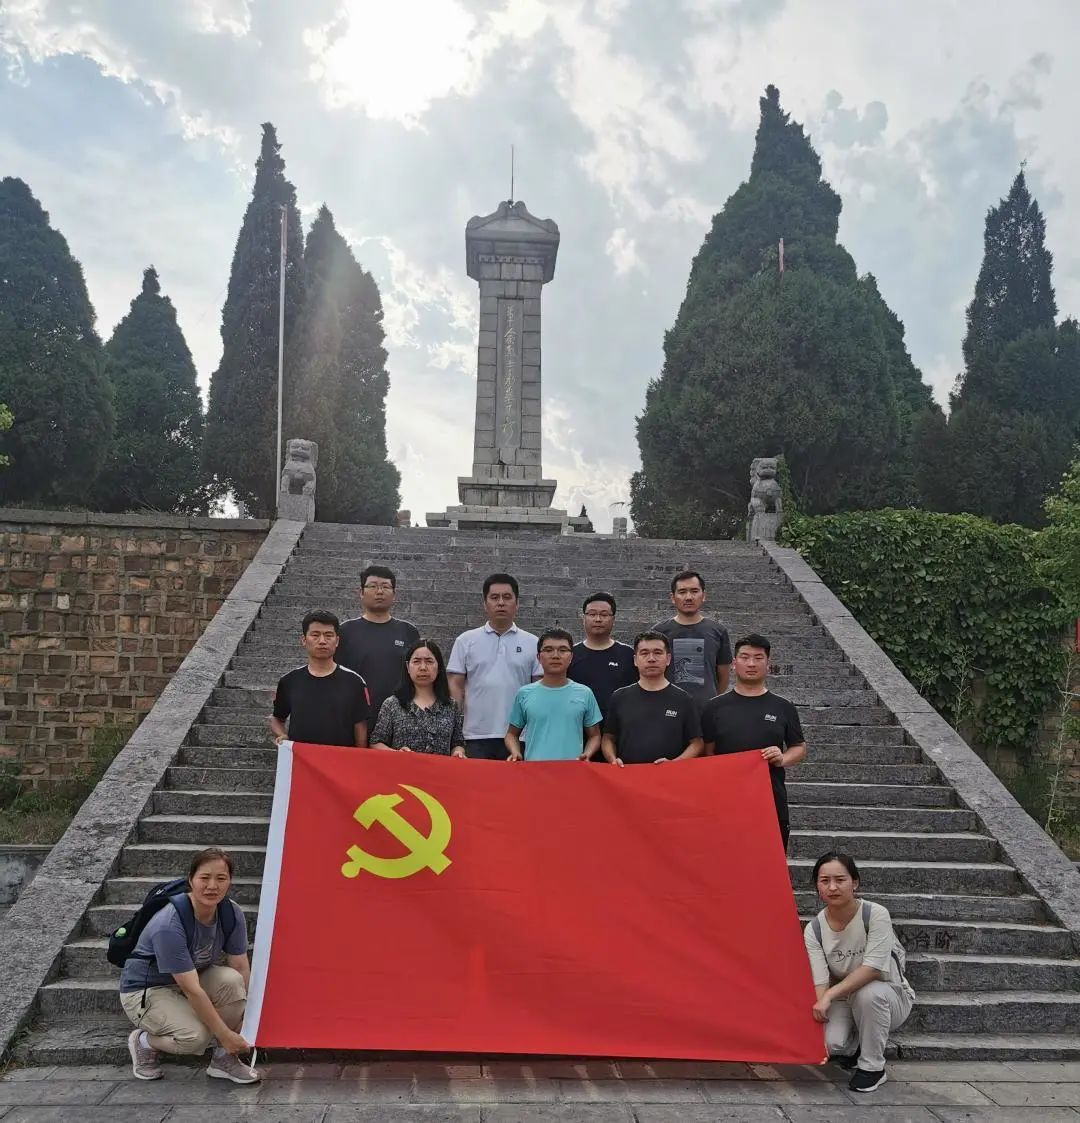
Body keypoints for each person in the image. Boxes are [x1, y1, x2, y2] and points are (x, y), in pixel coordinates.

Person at [120, 847, 258, 1084]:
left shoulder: (230, 912)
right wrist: (225, 1034)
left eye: (221, 878)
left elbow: (240, 966)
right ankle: (143, 1042)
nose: (212, 886)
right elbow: (192, 990)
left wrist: (247, 1014)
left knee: (232, 981)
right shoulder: (169, 923)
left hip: (192, 978)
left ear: (230, 882)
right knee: (195, 1038)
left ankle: (223, 1060)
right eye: (204, 878)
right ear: (191, 880)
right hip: (147, 990)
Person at [804, 852, 915, 1094]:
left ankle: (872, 1067)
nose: (832, 887)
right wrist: (823, 1003)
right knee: (831, 1044)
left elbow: (873, 969)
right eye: (824, 881)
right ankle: (857, 1045)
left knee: (869, 994)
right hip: (844, 999)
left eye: (840, 880)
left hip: (889, 996)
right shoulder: (814, 929)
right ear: (817, 886)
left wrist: (829, 995)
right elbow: (820, 980)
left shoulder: (875, 914)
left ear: (854, 882)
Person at [701, 633, 806, 850]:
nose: (751, 664)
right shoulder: (714, 707)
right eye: (745, 657)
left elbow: (798, 747)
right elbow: (707, 752)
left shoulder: (783, 707)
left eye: (758, 658)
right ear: (733, 663)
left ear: (768, 663)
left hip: (770, 799)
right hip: (724, 800)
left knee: (769, 860)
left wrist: (782, 758)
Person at [447, 573, 541, 759]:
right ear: (485, 603)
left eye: (507, 597)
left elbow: (539, 689)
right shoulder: (465, 641)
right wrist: (455, 732)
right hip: (475, 736)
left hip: (519, 736)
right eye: (494, 597)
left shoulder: (533, 643)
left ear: (517, 603)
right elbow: (455, 687)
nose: (501, 603)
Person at [269, 610, 370, 747]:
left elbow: (360, 725)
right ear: (304, 640)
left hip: (340, 757)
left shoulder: (355, 682)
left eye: (328, 635)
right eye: (315, 635)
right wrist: (282, 735)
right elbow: (277, 718)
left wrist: (359, 756)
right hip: (302, 758)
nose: (322, 641)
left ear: (337, 641)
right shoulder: (289, 681)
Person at [601, 631, 703, 766]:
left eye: (657, 653)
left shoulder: (684, 699)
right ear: (635, 660)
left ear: (668, 659)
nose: (651, 659)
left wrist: (674, 764)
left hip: (668, 776)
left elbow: (697, 743)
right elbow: (608, 739)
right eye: (644, 653)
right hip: (628, 774)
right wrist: (613, 760)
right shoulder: (619, 697)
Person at [505, 628, 603, 761]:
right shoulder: (524, 693)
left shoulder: (585, 693)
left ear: (571, 657)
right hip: (534, 769)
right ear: (539, 657)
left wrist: (587, 754)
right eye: (548, 650)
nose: (555, 655)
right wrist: (515, 752)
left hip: (573, 768)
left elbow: (595, 736)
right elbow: (511, 734)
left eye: (562, 650)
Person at [337, 565, 421, 720]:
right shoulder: (345, 631)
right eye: (373, 586)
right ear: (361, 592)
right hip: (355, 715)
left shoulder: (408, 631)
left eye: (385, 586)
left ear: (394, 594)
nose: (380, 591)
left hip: (399, 716)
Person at [369, 639, 467, 757]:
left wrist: (458, 752)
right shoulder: (393, 704)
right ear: (407, 667)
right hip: (402, 768)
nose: (423, 667)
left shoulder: (450, 705)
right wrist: (396, 754)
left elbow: (458, 742)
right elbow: (376, 742)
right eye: (416, 661)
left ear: (439, 667)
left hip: (440, 768)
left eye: (429, 661)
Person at [652, 570, 732, 711]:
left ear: (703, 595)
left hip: (706, 711)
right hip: (667, 709)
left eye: (694, 591)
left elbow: (723, 676)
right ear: (672, 597)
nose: (688, 597)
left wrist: (710, 700)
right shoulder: (658, 632)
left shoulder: (718, 631)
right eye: (682, 592)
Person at [567, 592, 636, 720]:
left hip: (619, 725)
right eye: (592, 614)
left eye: (604, 615)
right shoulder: (570, 655)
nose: (598, 619)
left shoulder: (628, 654)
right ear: (583, 618)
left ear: (613, 619)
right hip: (578, 724)